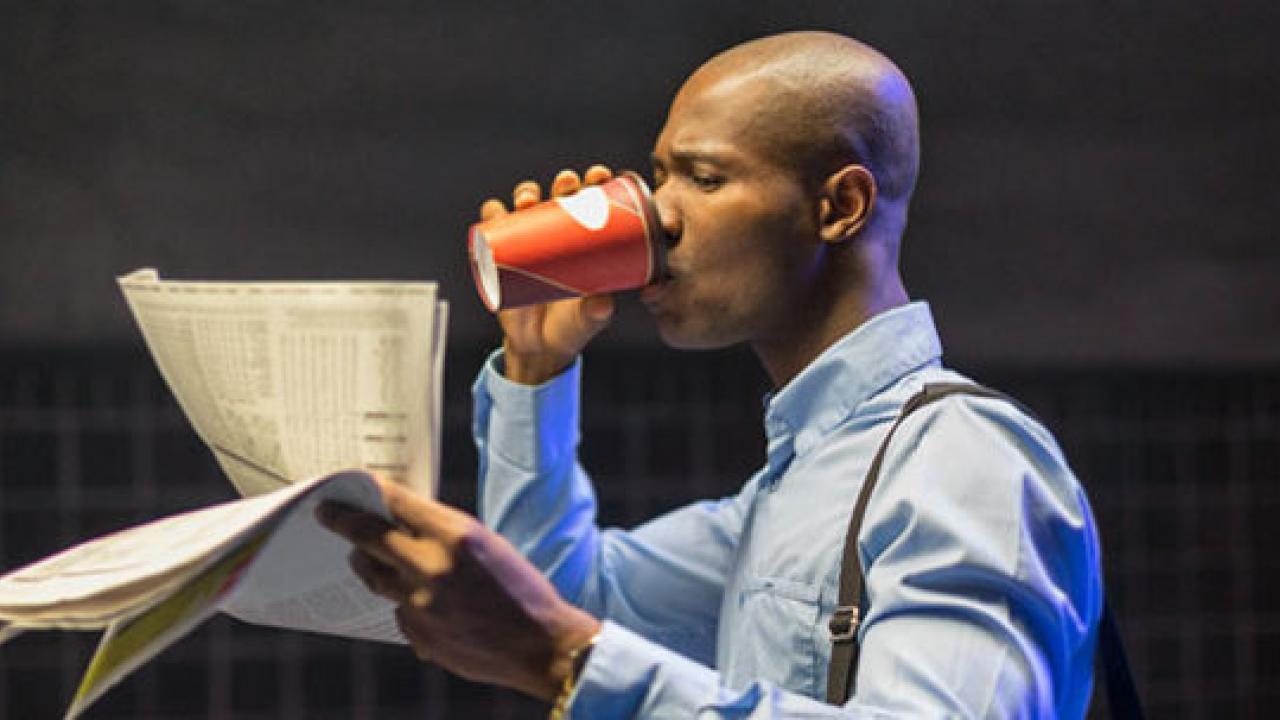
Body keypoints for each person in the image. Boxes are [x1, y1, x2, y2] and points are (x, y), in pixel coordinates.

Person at [319, 30, 1104, 717]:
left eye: (702, 177)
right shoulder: (792, 485)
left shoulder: (960, 460)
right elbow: (561, 593)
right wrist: (536, 366)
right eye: (659, 175)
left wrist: (564, 661)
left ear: (839, 207)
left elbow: (558, 633)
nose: (658, 214)